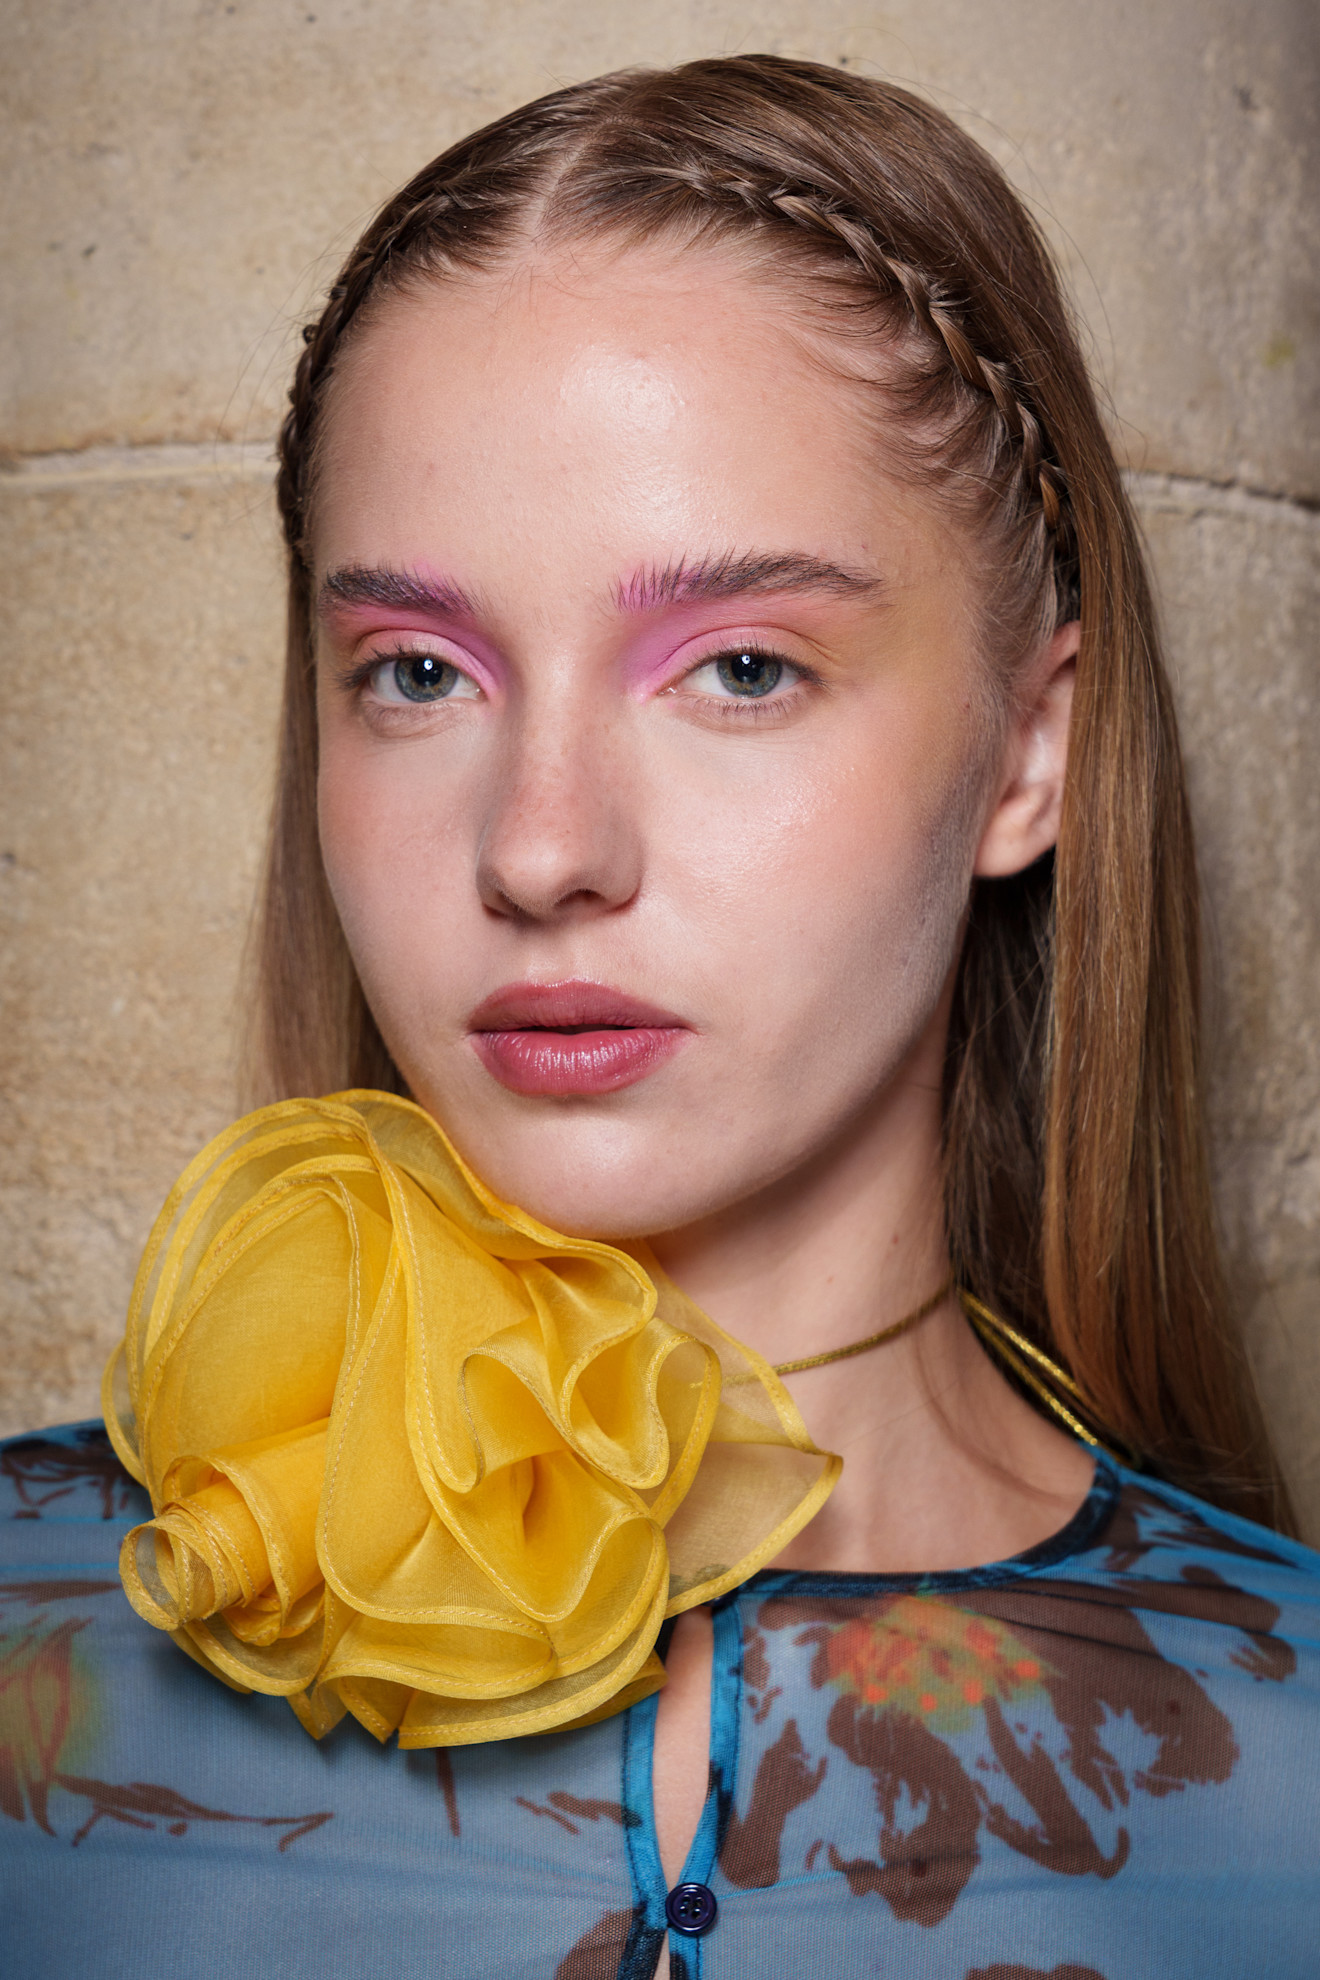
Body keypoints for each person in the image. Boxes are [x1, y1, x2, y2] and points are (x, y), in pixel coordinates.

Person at [3, 54, 1317, 1979]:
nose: (541, 850)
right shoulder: (48, 1625)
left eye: (745, 667)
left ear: (1034, 748)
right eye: (420, 671)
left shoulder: (1288, 1790)